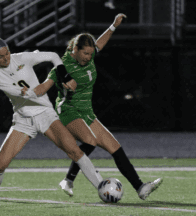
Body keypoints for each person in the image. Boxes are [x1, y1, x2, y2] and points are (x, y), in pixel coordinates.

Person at [0, 36, 104, 201]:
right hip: (23, 119)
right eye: (0, 56)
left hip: (44, 113)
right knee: (0, 165)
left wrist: (64, 74)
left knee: (74, 151)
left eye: (7, 53)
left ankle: (102, 188)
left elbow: (53, 56)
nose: (6, 58)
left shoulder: (21, 58)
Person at [21, 13, 163, 200]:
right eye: (85, 53)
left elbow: (99, 44)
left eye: (91, 53)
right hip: (68, 111)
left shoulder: (89, 55)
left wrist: (113, 26)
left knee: (115, 147)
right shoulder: (62, 67)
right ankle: (68, 179)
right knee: (90, 141)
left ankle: (140, 188)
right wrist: (27, 90)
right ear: (75, 49)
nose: (89, 57)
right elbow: (43, 88)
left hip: (87, 112)